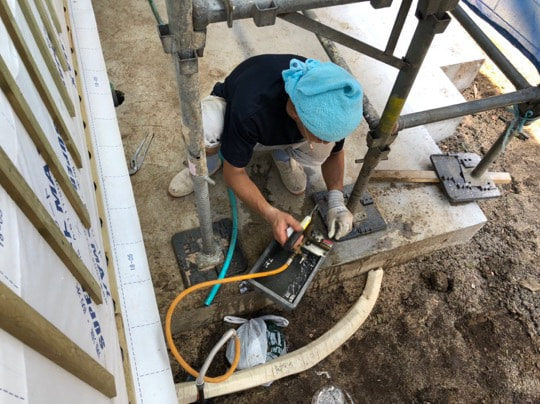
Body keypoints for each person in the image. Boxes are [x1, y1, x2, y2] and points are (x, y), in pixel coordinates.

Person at [169, 54, 363, 245]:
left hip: (278, 126)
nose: (325, 141)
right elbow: (234, 174)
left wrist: (336, 201)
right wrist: (271, 213)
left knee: (322, 151)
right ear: (295, 113)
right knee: (204, 129)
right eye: (320, 135)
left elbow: (335, 153)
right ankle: (208, 162)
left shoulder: (331, 99)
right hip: (235, 113)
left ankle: (282, 155)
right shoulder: (251, 108)